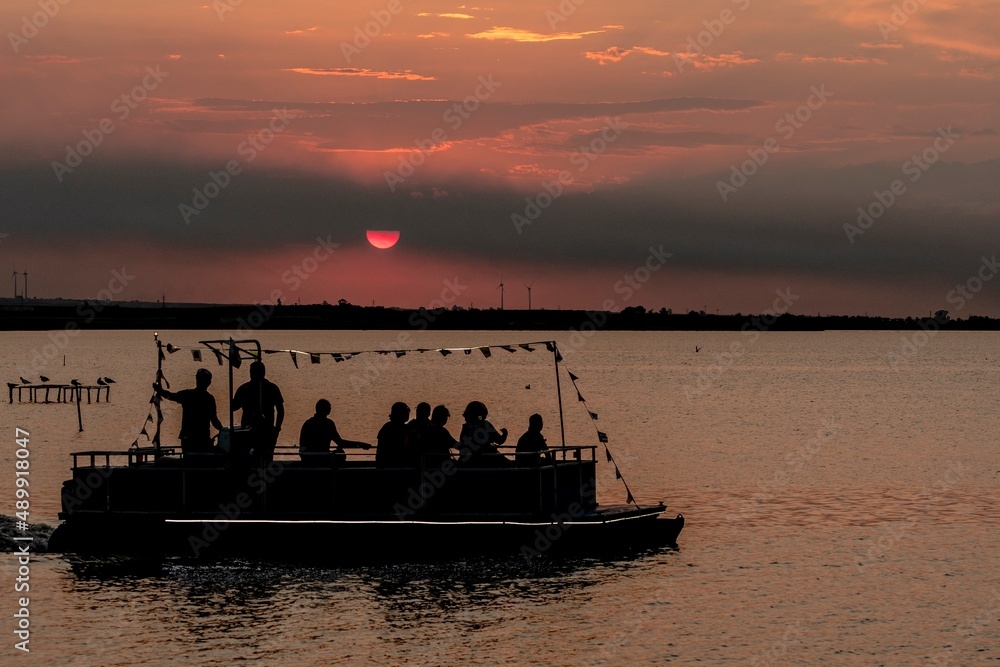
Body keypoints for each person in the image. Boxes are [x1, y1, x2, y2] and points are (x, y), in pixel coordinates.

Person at [153, 368, 223, 457]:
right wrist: (223, 430)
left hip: (191, 439)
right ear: (209, 383)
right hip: (200, 439)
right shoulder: (209, 399)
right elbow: (214, 420)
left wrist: (160, 391)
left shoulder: (188, 395)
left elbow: (171, 396)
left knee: (188, 460)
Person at [232, 361, 284, 464]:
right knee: (254, 460)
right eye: (252, 372)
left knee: (262, 460)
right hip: (249, 430)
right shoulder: (246, 389)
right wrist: (277, 429)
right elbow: (234, 407)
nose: (252, 375)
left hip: (265, 430)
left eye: (254, 372)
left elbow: (281, 410)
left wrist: (277, 429)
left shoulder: (270, 388)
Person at [298, 399, 372, 465]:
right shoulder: (328, 424)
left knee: (339, 453)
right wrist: (360, 444)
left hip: (308, 458)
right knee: (340, 454)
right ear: (328, 411)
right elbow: (341, 443)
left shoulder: (308, 423)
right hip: (319, 459)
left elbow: (302, 448)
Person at [458, 401, 509, 467]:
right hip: (485, 460)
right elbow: (499, 440)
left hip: (470, 461)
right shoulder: (485, 425)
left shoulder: (466, 428)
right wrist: (505, 434)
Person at [375, 402, 412, 468]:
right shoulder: (405, 429)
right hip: (397, 465)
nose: (408, 413)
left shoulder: (386, 427)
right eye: (406, 411)